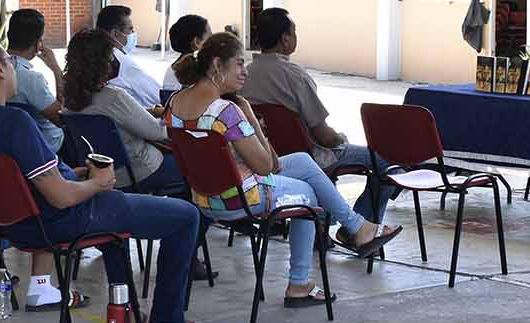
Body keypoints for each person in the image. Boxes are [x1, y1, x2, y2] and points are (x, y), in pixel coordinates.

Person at [0, 34, 219, 323]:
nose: (13, 67)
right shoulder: (14, 121)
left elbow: (3, 179)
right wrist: (96, 183)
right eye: (10, 62)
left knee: (116, 221)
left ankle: (126, 309)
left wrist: (74, 174)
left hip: (9, 226)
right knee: (185, 215)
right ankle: (166, 321)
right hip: (57, 221)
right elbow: (61, 197)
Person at [166, 34, 401, 305]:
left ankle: (357, 226)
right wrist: (250, 116)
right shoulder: (226, 111)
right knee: (309, 193)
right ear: (218, 65)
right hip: (238, 197)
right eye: (239, 64)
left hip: (205, 196)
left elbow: (273, 164)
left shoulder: (175, 102)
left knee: (301, 160)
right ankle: (300, 283)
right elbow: (265, 165)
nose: (245, 72)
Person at [240, 7, 399, 222]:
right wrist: (341, 139)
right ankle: (361, 225)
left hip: (267, 155)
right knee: (387, 162)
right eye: (294, 32)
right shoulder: (294, 76)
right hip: (310, 156)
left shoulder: (243, 75)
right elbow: (324, 136)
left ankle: (335, 224)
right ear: (285, 39)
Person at [60, 28, 184, 195]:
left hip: (101, 175)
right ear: (103, 61)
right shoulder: (114, 96)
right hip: (141, 171)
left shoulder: (68, 99)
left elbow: (109, 115)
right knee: (192, 167)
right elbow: (157, 132)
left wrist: (147, 112)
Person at [6, 8, 67, 152]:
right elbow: (61, 119)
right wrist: (57, 71)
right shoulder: (31, 79)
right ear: (39, 43)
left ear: (9, 35)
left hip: (11, 142)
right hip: (46, 146)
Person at [96, 4, 165, 110]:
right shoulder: (119, 62)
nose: (133, 34)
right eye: (130, 29)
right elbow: (158, 96)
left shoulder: (90, 58)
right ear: (115, 33)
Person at [167, 14, 210, 86]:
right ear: (197, 42)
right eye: (210, 36)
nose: (213, 39)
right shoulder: (196, 73)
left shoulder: (173, 70)